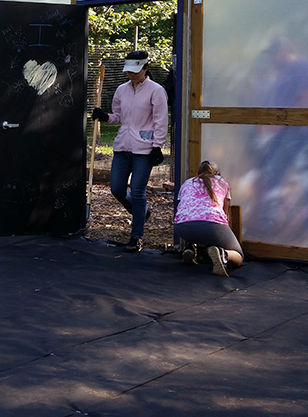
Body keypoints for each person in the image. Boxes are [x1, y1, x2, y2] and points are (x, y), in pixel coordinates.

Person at [92, 50, 168, 252]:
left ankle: (137, 237)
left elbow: (161, 120)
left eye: (136, 71)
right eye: (129, 71)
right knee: (117, 188)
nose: (132, 74)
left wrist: (157, 145)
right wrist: (105, 117)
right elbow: (118, 117)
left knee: (137, 191)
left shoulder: (156, 90)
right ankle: (142, 213)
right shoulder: (121, 90)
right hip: (122, 146)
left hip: (144, 149)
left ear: (145, 68)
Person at [173, 160, 242, 277]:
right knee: (238, 256)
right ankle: (222, 254)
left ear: (197, 173)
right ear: (218, 174)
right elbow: (225, 212)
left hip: (181, 227)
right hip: (211, 224)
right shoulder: (222, 183)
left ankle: (189, 248)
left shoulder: (187, 182)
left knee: (194, 219)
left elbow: (184, 207)